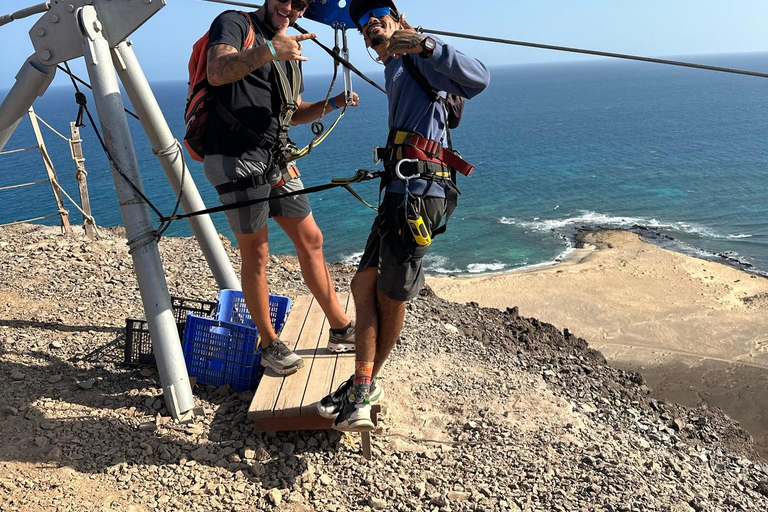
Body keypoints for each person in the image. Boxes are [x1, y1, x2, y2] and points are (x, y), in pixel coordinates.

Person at [316, 0, 491, 431]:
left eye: (380, 13)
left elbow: (480, 78)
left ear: (398, 22)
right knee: (362, 284)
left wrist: (428, 45)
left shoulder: (416, 57)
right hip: (399, 190)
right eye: (363, 21)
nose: (370, 22)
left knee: (391, 297)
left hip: (418, 193)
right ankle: (363, 381)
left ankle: (363, 386)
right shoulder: (396, 67)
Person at [203, 0, 359, 375]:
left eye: (300, 4)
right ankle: (269, 344)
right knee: (257, 254)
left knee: (312, 239)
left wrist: (332, 103)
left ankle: (340, 327)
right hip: (236, 158)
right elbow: (217, 71)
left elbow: (294, 110)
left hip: (276, 160)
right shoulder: (235, 24)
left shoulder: (290, 46)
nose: (290, 8)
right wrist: (271, 49)